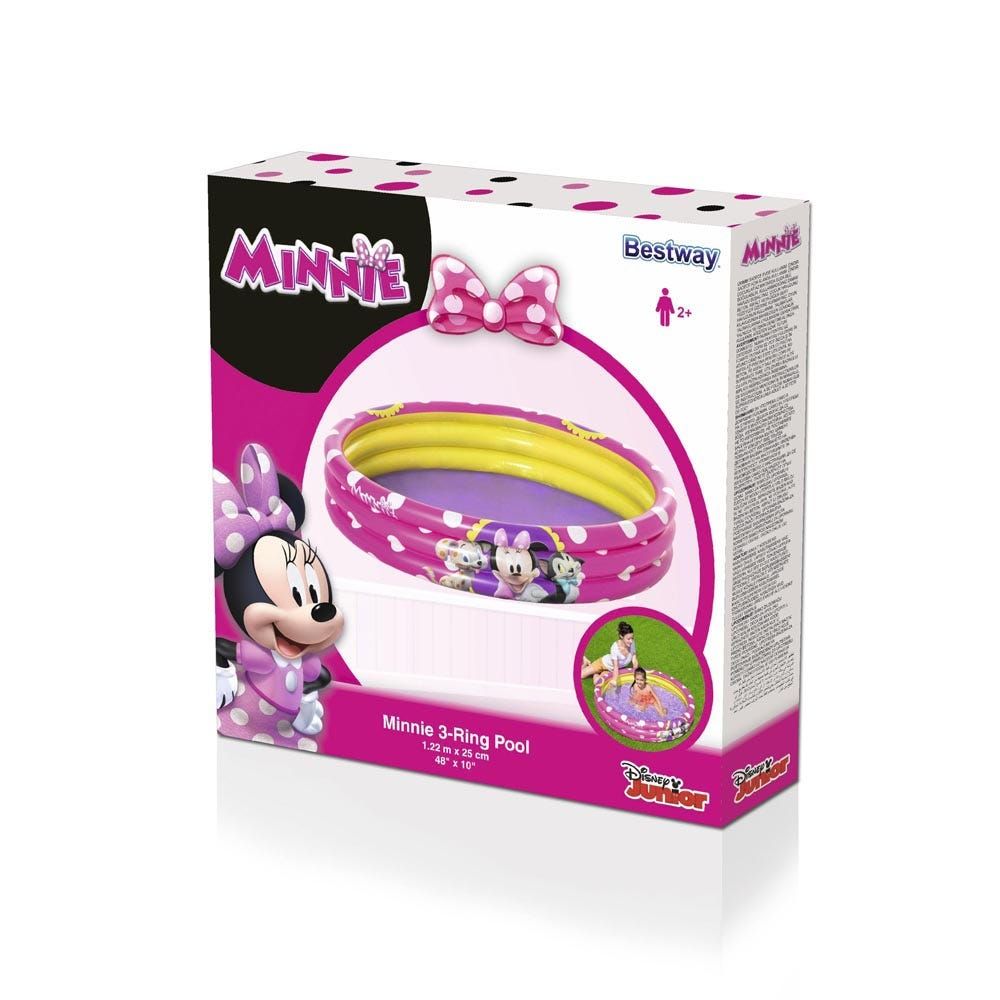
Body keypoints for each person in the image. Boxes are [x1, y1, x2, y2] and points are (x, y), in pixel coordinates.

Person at [580, 620, 638, 692]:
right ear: (621, 636)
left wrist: (636, 673)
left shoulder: (632, 644)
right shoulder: (615, 648)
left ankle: (596, 673)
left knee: (598, 683)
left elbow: (634, 660)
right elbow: (615, 666)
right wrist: (614, 680)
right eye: (628, 639)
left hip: (611, 670)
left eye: (632, 638)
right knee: (581, 675)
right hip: (603, 663)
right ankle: (586, 662)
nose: (631, 641)